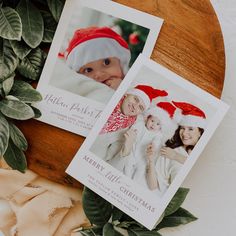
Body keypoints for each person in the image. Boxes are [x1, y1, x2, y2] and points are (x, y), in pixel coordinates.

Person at [109, 102, 179, 189]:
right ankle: (126, 179)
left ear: (161, 127)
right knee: (128, 164)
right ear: (147, 119)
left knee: (141, 169)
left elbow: (157, 142)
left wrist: (153, 145)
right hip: (133, 151)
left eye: (157, 124)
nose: (153, 125)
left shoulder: (158, 134)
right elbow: (133, 129)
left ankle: (133, 184)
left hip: (143, 157)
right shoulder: (141, 125)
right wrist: (133, 132)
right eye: (152, 121)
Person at [90, 85, 168, 161]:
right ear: (127, 94)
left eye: (140, 107)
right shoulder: (106, 96)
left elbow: (109, 157)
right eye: (135, 99)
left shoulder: (128, 127)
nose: (135, 106)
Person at [145, 101, 206, 195]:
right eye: (182, 128)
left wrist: (176, 156)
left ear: (200, 132)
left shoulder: (181, 156)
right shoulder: (173, 145)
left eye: (190, 129)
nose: (184, 133)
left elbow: (155, 187)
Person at [61, 26, 131, 90]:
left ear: (121, 63)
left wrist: (122, 88)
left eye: (106, 62)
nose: (99, 75)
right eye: (88, 70)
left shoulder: (131, 85)